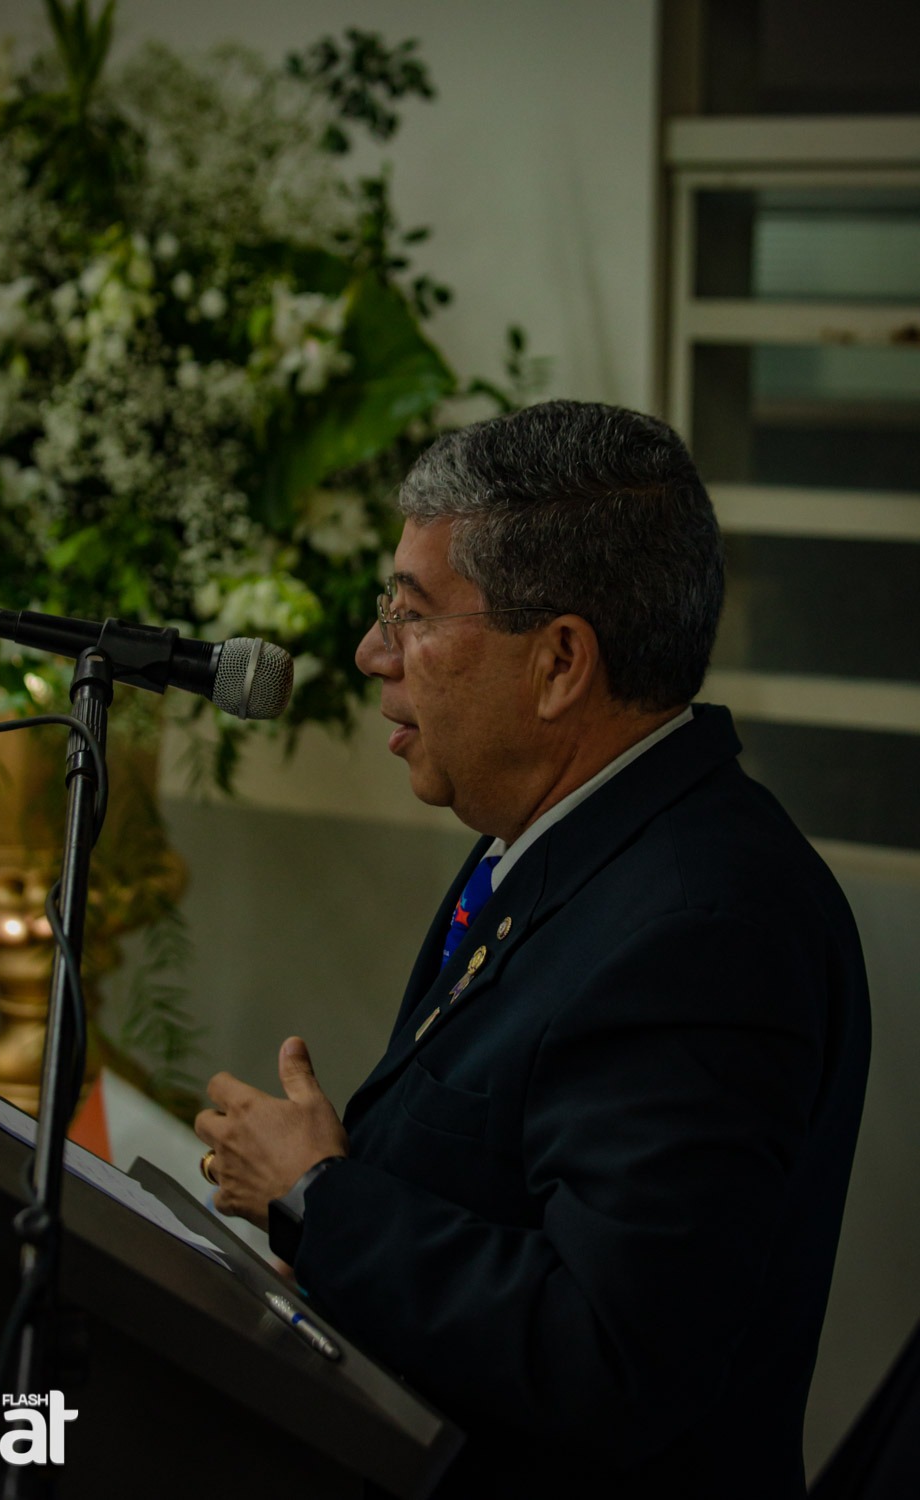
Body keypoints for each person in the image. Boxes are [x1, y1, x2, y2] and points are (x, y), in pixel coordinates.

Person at [195, 400, 870, 1499]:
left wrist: (320, 1199)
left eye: (411, 615)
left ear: (559, 662)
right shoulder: (560, 832)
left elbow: (607, 1355)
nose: (373, 654)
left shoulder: (705, 928)